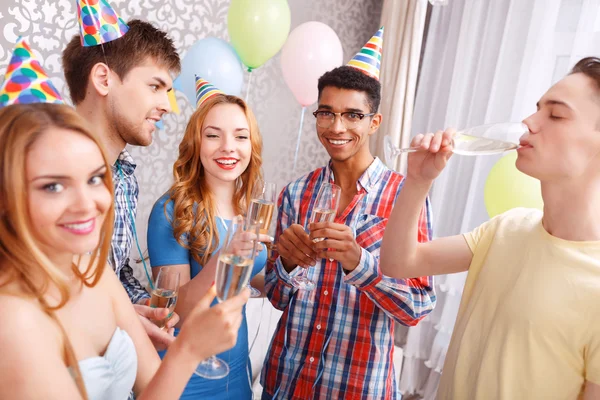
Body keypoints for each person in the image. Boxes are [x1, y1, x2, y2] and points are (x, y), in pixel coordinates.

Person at [379, 57, 600, 399]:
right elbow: (398, 263)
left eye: (555, 115)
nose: (529, 121)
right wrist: (418, 182)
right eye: (537, 109)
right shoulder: (506, 228)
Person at [0, 102, 250, 399]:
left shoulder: (96, 273)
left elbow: (154, 389)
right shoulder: (13, 320)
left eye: (94, 179)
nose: (87, 204)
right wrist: (189, 350)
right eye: (53, 186)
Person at [261, 28, 436, 399]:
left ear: (374, 122)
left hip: (355, 388)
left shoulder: (405, 196)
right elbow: (276, 295)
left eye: (352, 115)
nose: (336, 127)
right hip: (286, 384)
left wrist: (359, 263)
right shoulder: (295, 193)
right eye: (326, 113)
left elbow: (418, 307)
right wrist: (287, 266)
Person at [62, 16, 181, 349]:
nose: (165, 106)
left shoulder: (126, 177)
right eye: (155, 86)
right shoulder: (40, 174)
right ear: (103, 79)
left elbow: (115, 272)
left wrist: (142, 309)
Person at [147, 79, 269, 399]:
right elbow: (170, 311)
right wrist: (223, 259)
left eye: (240, 136)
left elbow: (249, 280)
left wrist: (294, 266)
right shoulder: (172, 211)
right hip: (190, 377)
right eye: (213, 135)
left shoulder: (247, 209)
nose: (228, 147)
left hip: (235, 372)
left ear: (251, 145)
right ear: (195, 144)